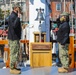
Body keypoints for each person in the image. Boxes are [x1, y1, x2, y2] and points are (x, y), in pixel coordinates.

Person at [8, 4, 22, 74]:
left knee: (16, 52)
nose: (20, 10)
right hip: (13, 38)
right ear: (15, 8)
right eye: (19, 8)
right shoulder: (13, 16)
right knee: (14, 53)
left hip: (15, 37)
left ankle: (14, 66)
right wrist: (18, 17)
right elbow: (14, 25)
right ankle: (12, 68)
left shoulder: (14, 16)